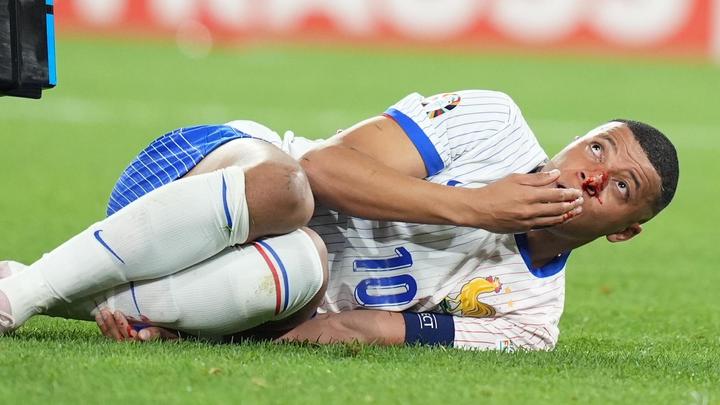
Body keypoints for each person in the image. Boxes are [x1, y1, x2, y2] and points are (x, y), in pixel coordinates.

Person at [0, 90, 678, 350]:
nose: (592, 176)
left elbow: (353, 328)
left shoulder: (528, 321)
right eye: (597, 148)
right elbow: (322, 165)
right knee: (291, 194)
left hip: (236, 286)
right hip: (206, 177)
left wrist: (202, 325)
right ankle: (22, 294)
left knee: (304, 265)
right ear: (573, 142)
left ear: (624, 231)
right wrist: (476, 207)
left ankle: (69, 293)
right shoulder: (494, 123)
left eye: (622, 187)